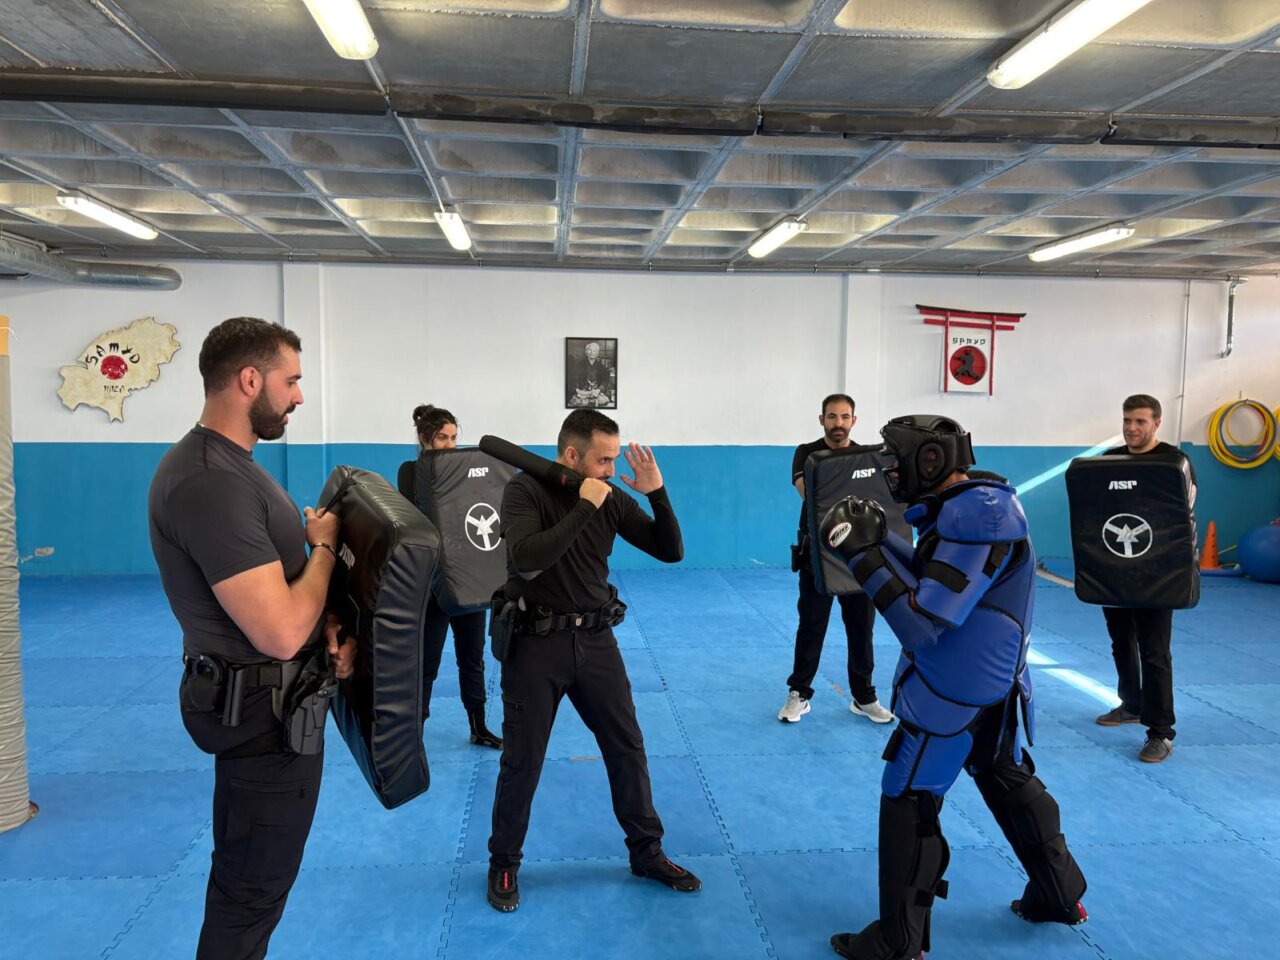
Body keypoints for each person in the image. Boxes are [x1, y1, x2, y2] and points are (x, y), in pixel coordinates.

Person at [819, 415, 1087, 960]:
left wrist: (864, 554)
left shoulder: (979, 516)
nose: (889, 469)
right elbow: (933, 579)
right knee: (1004, 776)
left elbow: (922, 621)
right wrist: (885, 542)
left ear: (931, 459)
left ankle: (899, 942)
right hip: (995, 682)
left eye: (897, 458)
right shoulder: (967, 507)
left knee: (908, 800)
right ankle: (1061, 895)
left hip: (954, 692)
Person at [148, 317, 357, 960]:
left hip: (271, 707)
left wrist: (323, 621)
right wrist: (323, 550)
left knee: (255, 889)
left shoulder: (232, 467)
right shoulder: (212, 481)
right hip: (262, 720)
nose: (298, 396)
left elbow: (283, 605)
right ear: (248, 380)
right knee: (249, 896)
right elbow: (278, 628)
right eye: (291, 381)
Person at [485, 409, 700, 911]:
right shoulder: (525, 492)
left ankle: (647, 853)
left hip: (597, 642)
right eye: (603, 460)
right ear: (572, 454)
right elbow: (528, 558)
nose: (610, 469)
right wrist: (582, 508)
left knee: (627, 747)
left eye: (614, 459)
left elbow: (670, 551)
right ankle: (503, 863)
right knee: (523, 761)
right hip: (535, 645)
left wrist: (656, 494)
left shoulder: (609, 495)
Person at [779, 393, 892, 725]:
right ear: (822, 419)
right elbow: (809, 493)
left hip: (859, 556)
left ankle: (864, 697)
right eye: (832, 416)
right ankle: (800, 693)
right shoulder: (807, 453)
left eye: (844, 417)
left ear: (853, 421)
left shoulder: (867, 459)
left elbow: (879, 498)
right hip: (817, 554)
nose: (838, 423)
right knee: (812, 626)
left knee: (861, 628)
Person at [1094, 394, 1195, 764]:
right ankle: (1131, 703)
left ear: (1156, 423)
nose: (1132, 428)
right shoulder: (1109, 462)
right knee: (1121, 640)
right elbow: (1096, 512)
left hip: (1157, 573)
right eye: (1126, 421)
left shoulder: (1173, 462)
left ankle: (1161, 732)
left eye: (1139, 421)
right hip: (1116, 567)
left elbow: (1183, 515)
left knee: (1154, 650)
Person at [396, 403, 501, 749]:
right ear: (426, 439)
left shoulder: (464, 471)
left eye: (454, 437)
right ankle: (415, 732)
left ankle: (478, 725)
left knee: (472, 657)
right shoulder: (411, 473)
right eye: (443, 437)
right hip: (433, 584)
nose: (451, 445)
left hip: (467, 579)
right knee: (427, 660)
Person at [568, 340, 612, 407]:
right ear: (586, 352)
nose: (592, 352)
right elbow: (574, 383)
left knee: (603, 400)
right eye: (589, 350)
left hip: (596, 393)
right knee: (576, 402)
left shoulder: (602, 368)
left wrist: (598, 390)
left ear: (597, 353)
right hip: (583, 392)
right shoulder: (578, 366)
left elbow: (604, 382)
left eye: (594, 351)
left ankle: (591, 401)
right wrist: (580, 391)